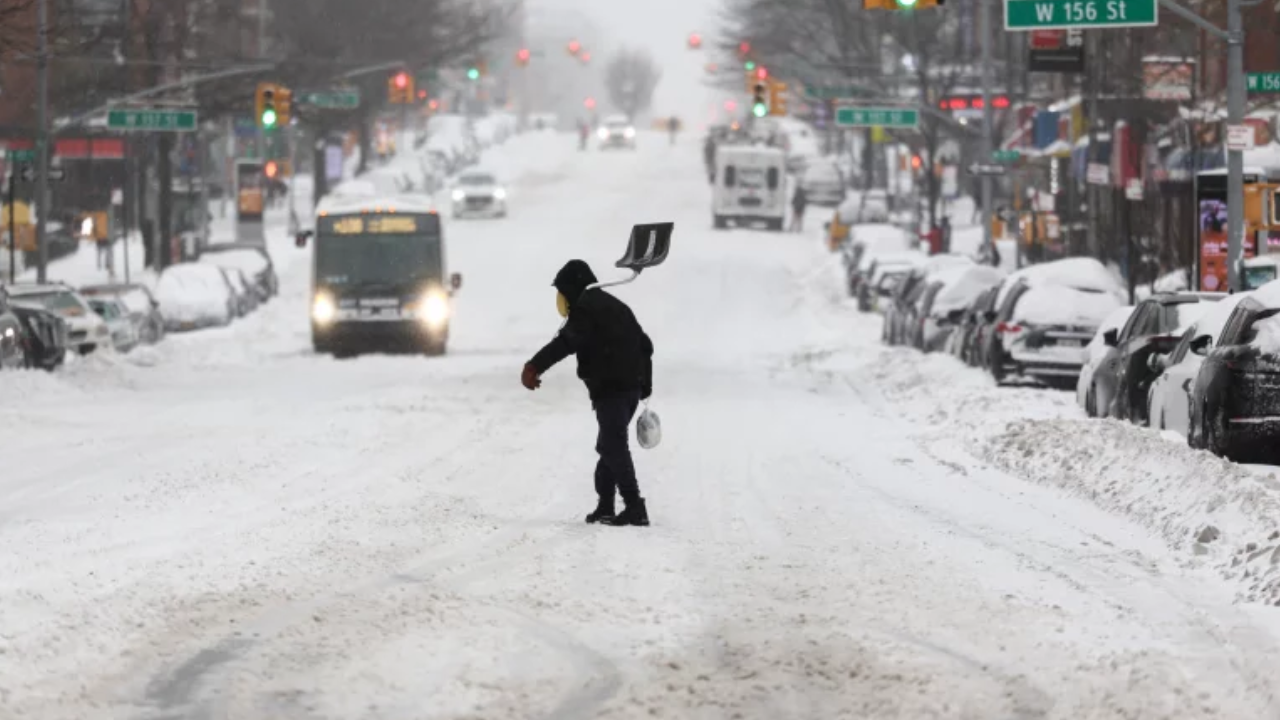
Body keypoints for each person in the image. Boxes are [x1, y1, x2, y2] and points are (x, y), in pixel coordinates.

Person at [521, 260, 654, 527]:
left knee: (613, 445)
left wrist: (534, 366)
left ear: (572, 288)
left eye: (562, 292)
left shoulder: (587, 309)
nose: (561, 300)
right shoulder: (614, 305)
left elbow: (566, 342)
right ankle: (605, 506)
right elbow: (645, 344)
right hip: (628, 387)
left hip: (612, 388)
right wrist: (644, 384)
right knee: (608, 444)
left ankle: (634, 506)